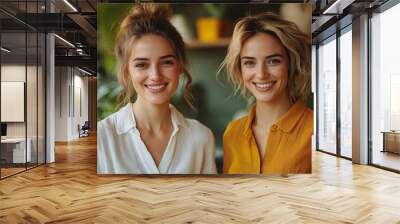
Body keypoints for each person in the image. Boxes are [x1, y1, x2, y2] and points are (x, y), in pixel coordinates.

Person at [97, 4, 216, 174]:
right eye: (142, 65)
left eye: (166, 62)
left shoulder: (201, 137)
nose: (155, 75)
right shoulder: (102, 138)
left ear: (180, 66)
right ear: (127, 71)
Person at [220, 12, 313, 174]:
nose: (261, 74)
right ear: (240, 69)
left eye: (273, 61)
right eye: (249, 62)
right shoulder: (232, 133)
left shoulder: (316, 130)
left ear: (290, 64)